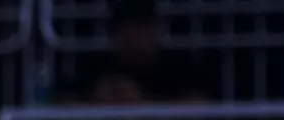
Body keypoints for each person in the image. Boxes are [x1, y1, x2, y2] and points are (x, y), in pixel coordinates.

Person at [67, 0, 207, 105]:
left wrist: (143, 103)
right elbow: (61, 103)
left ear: (156, 28)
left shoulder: (177, 65)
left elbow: (202, 104)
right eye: (124, 27)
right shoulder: (95, 65)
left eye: (141, 27)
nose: (132, 36)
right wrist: (96, 102)